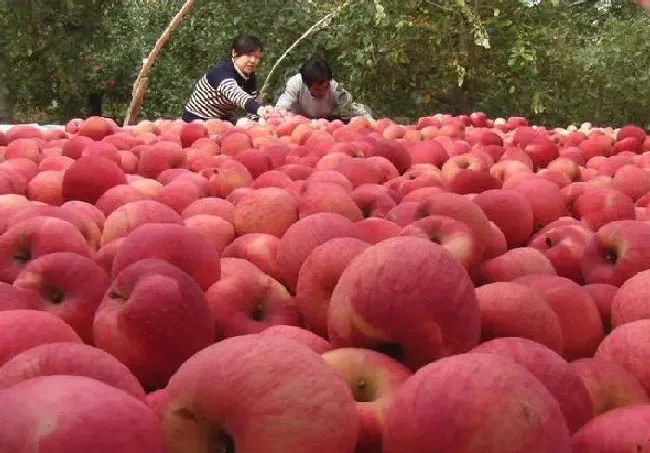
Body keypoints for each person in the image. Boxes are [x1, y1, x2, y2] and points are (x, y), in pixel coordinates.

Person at [182, 34, 272, 123]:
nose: (253, 60)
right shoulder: (221, 72)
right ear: (234, 53)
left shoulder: (249, 76)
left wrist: (261, 118)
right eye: (248, 55)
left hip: (222, 122)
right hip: (196, 120)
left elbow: (251, 107)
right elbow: (235, 94)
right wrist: (258, 108)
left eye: (257, 57)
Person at [274, 57, 372, 121]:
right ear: (306, 84)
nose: (322, 92)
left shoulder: (336, 88)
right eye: (317, 89)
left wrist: (370, 120)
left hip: (325, 126)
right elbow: (282, 106)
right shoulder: (295, 83)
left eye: (326, 87)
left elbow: (351, 107)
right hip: (298, 124)